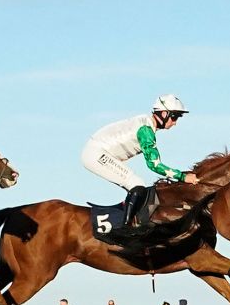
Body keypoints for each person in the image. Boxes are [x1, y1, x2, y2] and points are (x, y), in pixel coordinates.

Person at [80, 94, 200, 228]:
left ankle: (126, 221)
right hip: (96, 153)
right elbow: (154, 165)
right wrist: (183, 177)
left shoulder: (146, 123)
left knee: (137, 185)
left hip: (97, 151)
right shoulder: (146, 131)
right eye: (174, 117)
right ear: (164, 113)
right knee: (136, 184)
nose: (175, 122)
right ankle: (126, 229)